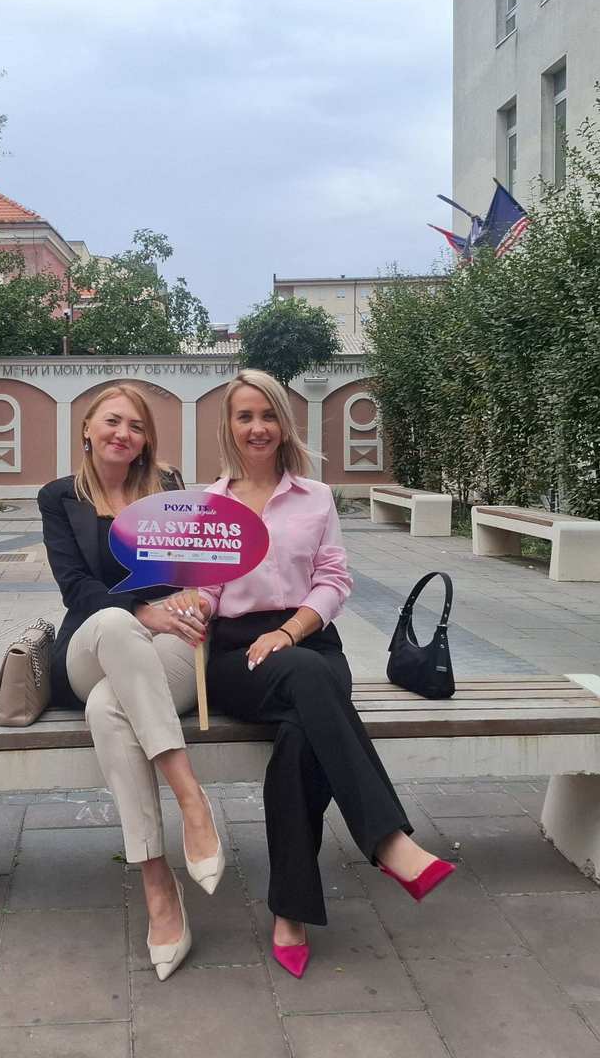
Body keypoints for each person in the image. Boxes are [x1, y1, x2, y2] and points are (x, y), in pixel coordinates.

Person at [183, 369, 454, 980]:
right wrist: (194, 602)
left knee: (300, 737)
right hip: (237, 656)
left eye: (268, 415)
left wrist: (289, 632)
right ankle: (388, 841)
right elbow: (209, 589)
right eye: (245, 416)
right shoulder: (210, 504)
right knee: (308, 684)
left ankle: (292, 910)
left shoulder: (316, 497)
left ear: (284, 424)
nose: (257, 427)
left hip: (309, 640)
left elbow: (333, 580)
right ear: (229, 426)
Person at [36, 383, 225, 982]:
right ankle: (191, 798)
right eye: (113, 421)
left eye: (137, 426)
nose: (124, 434)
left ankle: (157, 883)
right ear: (87, 429)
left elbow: (189, 571)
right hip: (93, 644)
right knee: (116, 623)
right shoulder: (58, 498)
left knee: (107, 710)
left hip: (165, 648)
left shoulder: (166, 489)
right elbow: (75, 587)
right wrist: (143, 612)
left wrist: (194, 597)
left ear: (147, 440)